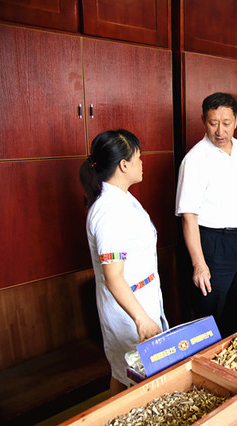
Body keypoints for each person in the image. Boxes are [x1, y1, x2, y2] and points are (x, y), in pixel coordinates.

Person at [79, 129, 169, 395]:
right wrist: (141, 319)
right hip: (128, 310)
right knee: (131, 375)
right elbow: (113, 276)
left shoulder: (122, 198)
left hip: (143, 296)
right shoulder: (109, 212)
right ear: (124, 165)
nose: (142, 162)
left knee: (124, 373)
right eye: (138, 157)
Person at [175, 92, 237, 336]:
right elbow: (189, 216)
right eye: (213, 123)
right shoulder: (195, 159)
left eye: (226, 123)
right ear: (203, 120)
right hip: (213, 244)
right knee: (209, 312)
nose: (220, 131)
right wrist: (199, 264)